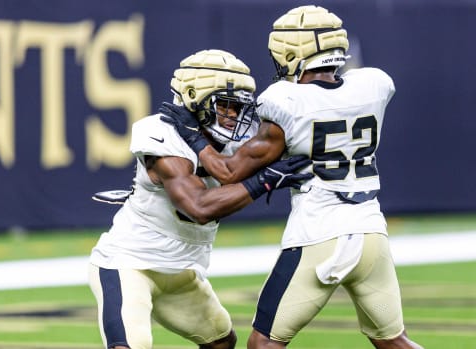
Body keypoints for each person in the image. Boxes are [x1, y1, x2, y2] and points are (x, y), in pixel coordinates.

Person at [159, 5, 424, 349]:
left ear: (289, 52)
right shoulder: (373, 85)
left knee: (263, 343)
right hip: (371, 230)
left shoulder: (287, 100)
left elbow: (230, 172)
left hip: (319, 235)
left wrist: (193, 136)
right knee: (394, 341)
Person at [88, 49, 312, 349]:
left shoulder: (237, 141)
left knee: (221, 342)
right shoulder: (161, 134)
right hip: (130, 265)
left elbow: (236, 167)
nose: (235, 116)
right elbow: (198, 208)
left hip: (183, 272)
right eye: (227, 106)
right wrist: (265, 180)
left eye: (240, 107)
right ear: (195, 98)